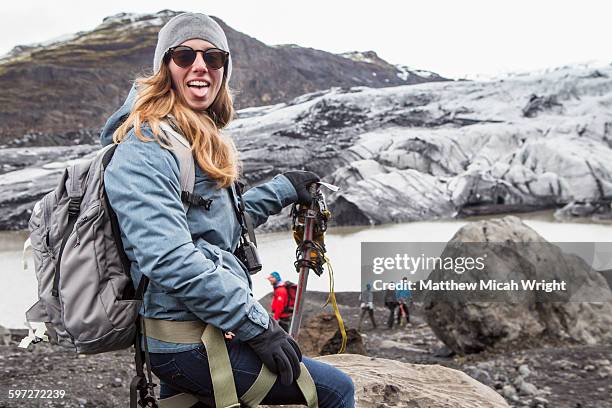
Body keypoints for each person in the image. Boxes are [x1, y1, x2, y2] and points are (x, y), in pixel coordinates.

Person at [101, 12, 354, 407]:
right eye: (184, 56)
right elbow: (168, 258)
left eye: (213, 58)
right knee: (337, 391)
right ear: (164, 68)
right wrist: (257, 327)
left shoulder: (191, 136)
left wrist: (283, 189)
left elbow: (217, 227)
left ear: (224, 69)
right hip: (185, 342)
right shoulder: (146, 147)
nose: (200, 66)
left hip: (203, 327)